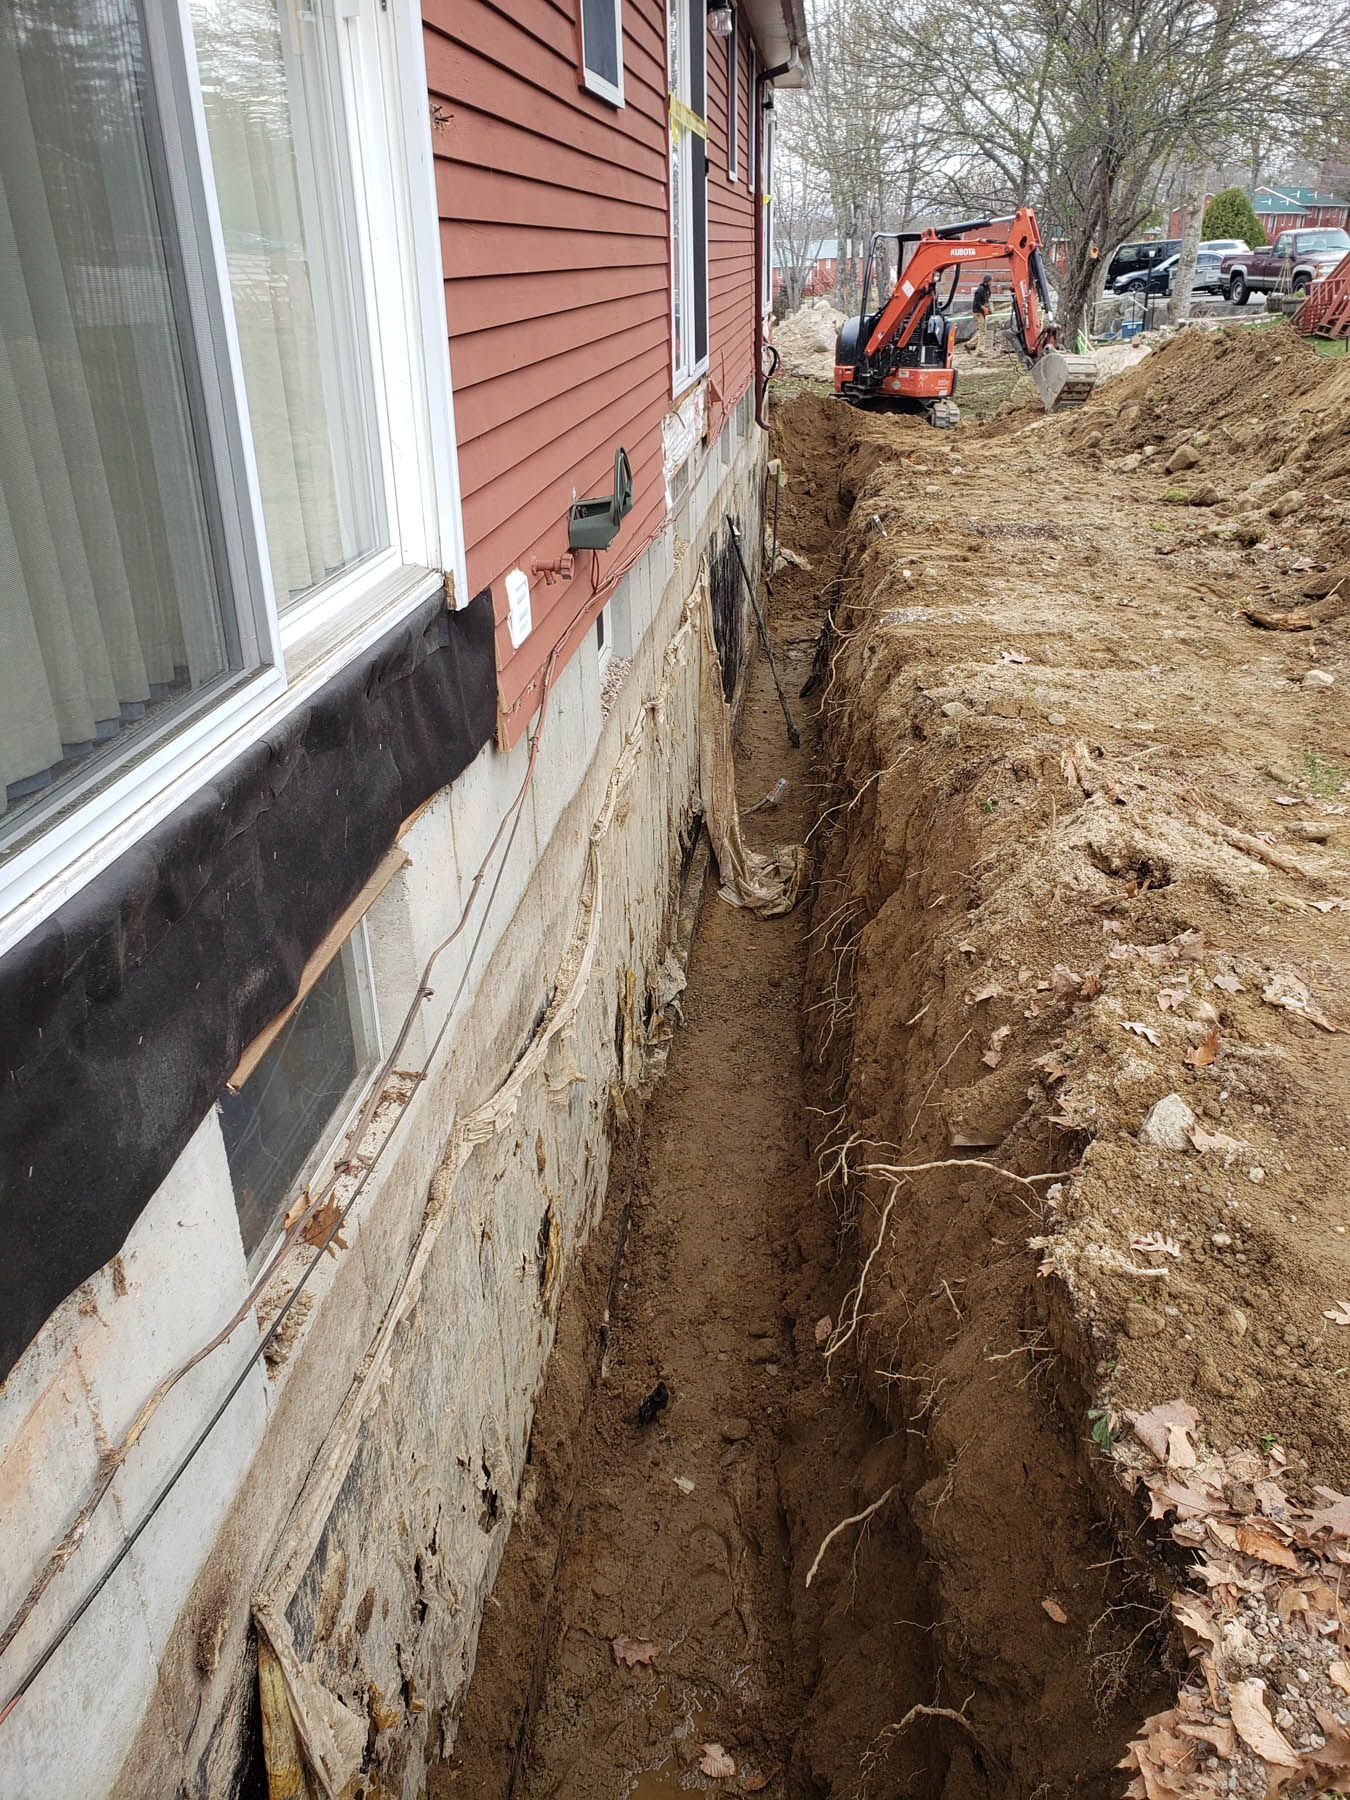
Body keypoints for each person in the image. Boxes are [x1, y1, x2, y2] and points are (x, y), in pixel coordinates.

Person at [971, 273, 992, 351]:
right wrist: (983, 308)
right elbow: (977, 302)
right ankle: (980, 351)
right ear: (988, 281)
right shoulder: (980, 290)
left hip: (981, 313)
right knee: (982, 332)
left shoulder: (986, 290)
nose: (991, 283)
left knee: (982, 331)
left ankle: (969, 345)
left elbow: (986, 300)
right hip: (978, 313)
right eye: (990, 281)